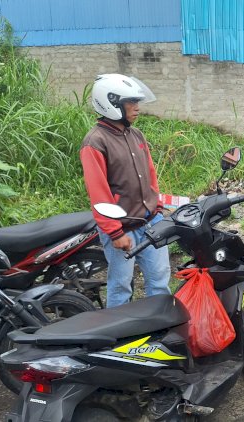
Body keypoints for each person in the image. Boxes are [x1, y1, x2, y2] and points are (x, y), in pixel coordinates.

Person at [80, 73, 171, 308]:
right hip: (123, 229)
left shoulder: (135, 134)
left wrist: (158, 206)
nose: (137, 108)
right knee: (121, 288)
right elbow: (98, 191)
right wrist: (115, 232)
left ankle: (157, 332)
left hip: (151, 222)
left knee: (159, 284)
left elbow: (150, 174)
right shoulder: (95, 142)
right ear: (111, 103)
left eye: (137, 102)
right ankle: (119, 341)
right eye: (131, 102)